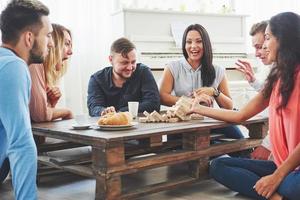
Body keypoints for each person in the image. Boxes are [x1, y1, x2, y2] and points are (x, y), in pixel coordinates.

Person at [189, 12, 300, 200]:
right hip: (282, 165)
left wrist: (276, 177)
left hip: (292, 170)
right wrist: (198, 108)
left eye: (267, 38)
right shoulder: (276, 79)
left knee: (292, 187)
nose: (264, 46)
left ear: (284, 39)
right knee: (218, 166)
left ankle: (280, 189)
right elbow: (240, 115)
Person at [0, 0, 53, 199]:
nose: (51, 42)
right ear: (29, 38)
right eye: (47, 35)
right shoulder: (13, 66)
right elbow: (20, 144)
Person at [159, 24, 244, 142]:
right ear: (184, 45)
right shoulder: (172, 67)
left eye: (199, 41)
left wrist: (214, 92)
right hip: (182, 123)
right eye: (189, 42)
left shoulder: (218, 70)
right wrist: (192, 102)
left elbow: (228, 106)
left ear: (206, 44)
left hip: (210, 122)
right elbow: (163, 97)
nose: (193, 46)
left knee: (240, 141)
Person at [87, 37, 160, 116]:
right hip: (109, 126)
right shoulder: (97, 79)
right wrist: (104, 111)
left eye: (133, 62)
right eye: (124, 63)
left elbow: (153, 104)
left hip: (139, 126)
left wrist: (120, 112)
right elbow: (94, 108)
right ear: (111, 60)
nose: (130, 67)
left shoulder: (143, 72)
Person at [235, 21, 272, 160]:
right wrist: (253, 80)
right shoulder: (275, 69)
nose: (256, 54)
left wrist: (267, 145)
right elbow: (268, 93)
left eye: (259, 47)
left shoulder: (286, 73)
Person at [29, 23, 73, 123]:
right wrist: (67, 112)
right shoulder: (35, 64)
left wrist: (51, 103)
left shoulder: (43, 73)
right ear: (52, 44)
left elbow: (37, 120)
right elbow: (40, 116)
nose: (70, 52)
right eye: (66, 44)